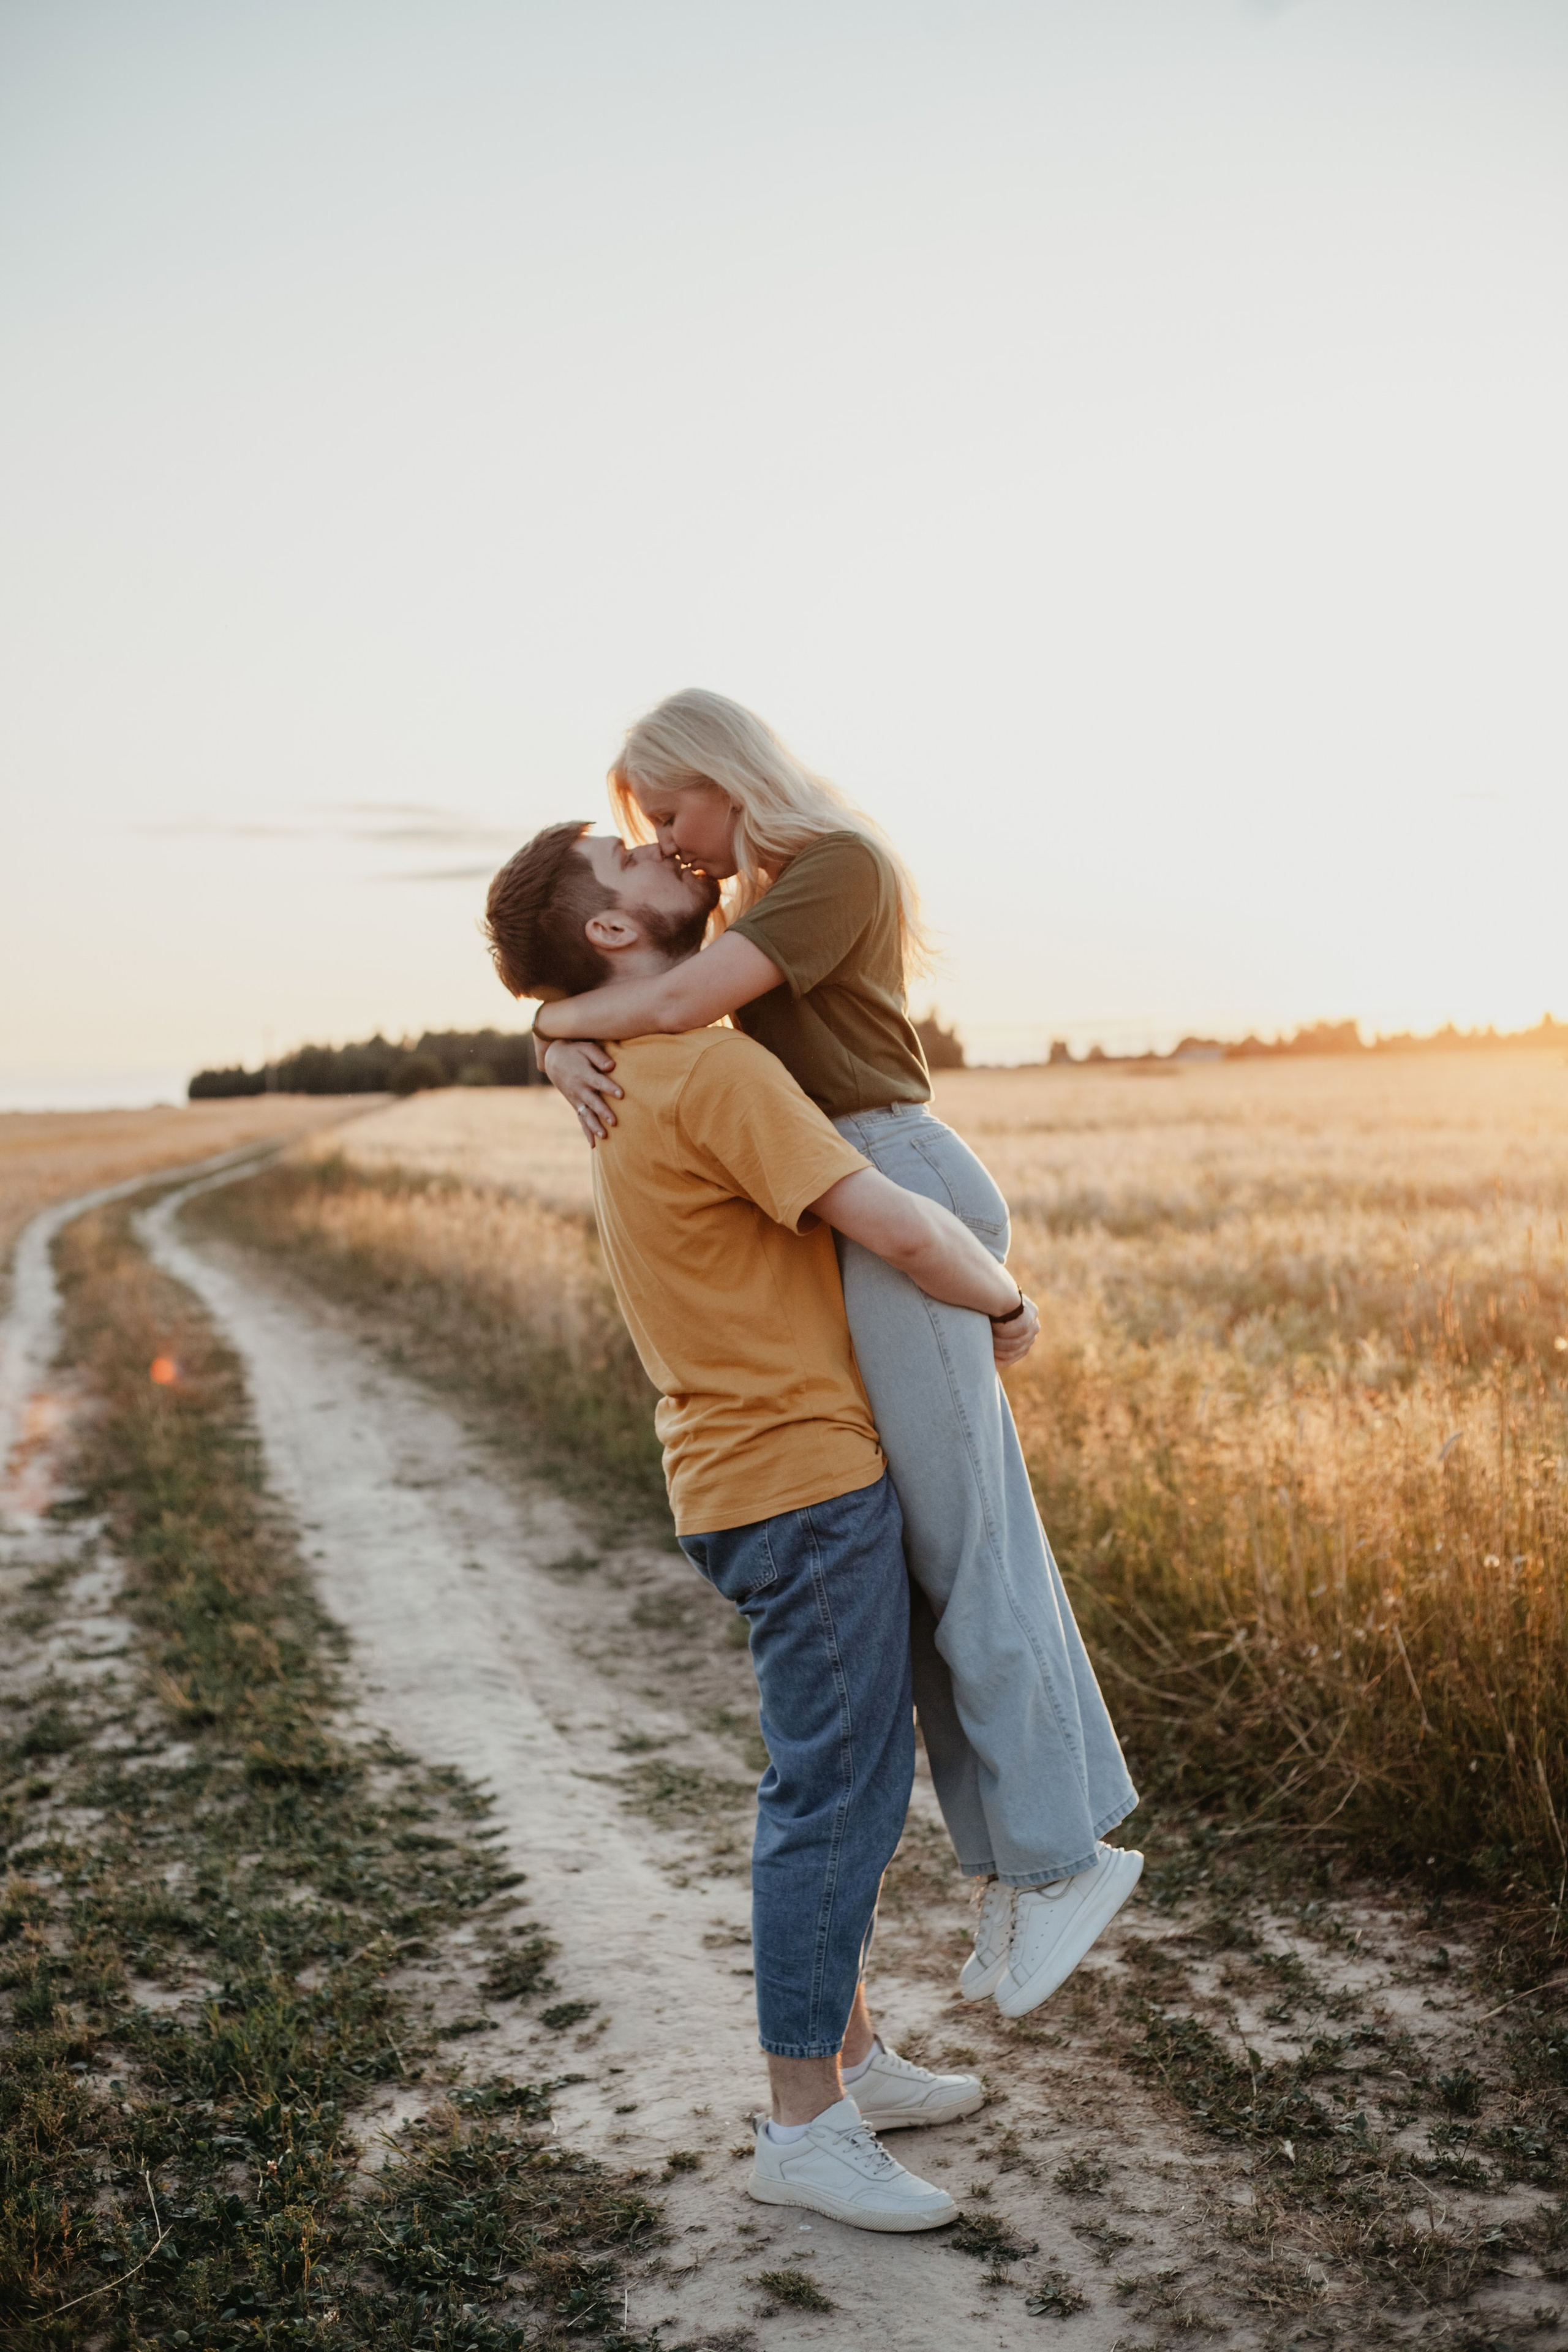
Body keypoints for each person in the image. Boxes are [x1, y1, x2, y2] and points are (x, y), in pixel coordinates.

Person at [530, 690, 1141, 2017]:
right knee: (937, 1568)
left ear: (726, 773)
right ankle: (1018, 1864)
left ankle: (1058, 1860)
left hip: (896, 1179)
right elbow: (667, 994)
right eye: (649, 833)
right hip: (871, 1193)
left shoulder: (835, 865)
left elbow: (679, 995)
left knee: (971, 1551)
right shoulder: (764, 894)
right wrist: (555, 1030)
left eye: (672, 811)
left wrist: (553, 1025)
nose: (675, 844)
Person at [484, 820, 1042, 2231]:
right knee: (834, 1793)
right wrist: (1006, 1302)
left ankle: (851, 2055)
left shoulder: (629, 1065)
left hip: (741, 1477)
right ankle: (801, 2121)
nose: (662, 851)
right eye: (632, 860)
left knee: (835, 1769)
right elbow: (899, 1227)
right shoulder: (712, 1071)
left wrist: (550, 1030)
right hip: (797, 1482)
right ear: (615, 933)